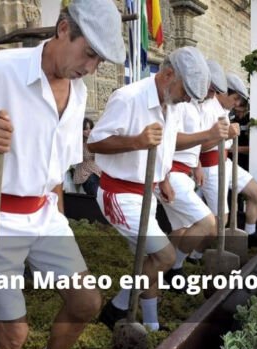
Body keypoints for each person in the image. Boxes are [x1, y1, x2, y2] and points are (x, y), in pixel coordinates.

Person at [0, 1, 125, 349]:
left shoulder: (76, 93)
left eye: (99, 63)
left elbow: (57, 169)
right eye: (88, 53)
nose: (89, 69)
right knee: (13, 333)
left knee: (86, 300)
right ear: (62, 30)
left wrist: (58, 222)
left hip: (44, 215)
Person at [88, 47, 225, 331]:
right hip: (119, 194)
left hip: (146, 192)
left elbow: (166, 147)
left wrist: (163, 178)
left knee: (152, 260)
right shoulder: (128, 98)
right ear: (168, 75)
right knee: (165, 256)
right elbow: (94, 143)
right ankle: (116, 308)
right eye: (186, 90)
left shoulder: (173, 106)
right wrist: (136, 141)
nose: (188, 99)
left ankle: (150, 324)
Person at [159, 60, 229, 289]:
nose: (211, 94)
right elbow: (172, 141)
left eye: (214, 91)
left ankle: (159, 270)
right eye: (210, 89)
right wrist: (211, 135)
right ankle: (174, 268)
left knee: (181, 231)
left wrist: (196, 163)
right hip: (171, 173)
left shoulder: (196, 106)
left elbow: (192, 143)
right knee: (208, 223)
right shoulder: (181, 104)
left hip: (183, 173)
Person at [196, 73, 257, 251]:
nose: (237, 104)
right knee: (221, 220)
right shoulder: (206, 109)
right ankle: (193, 254)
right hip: (210, 167)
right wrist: (226, 135)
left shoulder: (224, 111)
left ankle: (249, 235)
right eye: (235, 98)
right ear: (222, 92)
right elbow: (198, 147)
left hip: (225, 162)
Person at [73, 117, 101, 196]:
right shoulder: (77, 144)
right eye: (85, 129)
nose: (89, 131)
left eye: (91, 128)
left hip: (98, 173)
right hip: (86, 174)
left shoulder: (96, 141)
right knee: (95, 198)